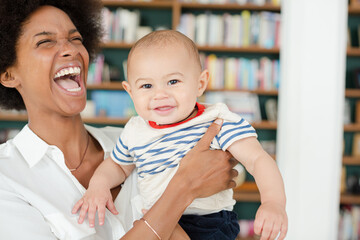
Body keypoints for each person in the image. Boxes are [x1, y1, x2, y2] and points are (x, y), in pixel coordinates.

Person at [0, 1, 239, 239]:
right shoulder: (7, 176)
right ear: (9, 74)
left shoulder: (136, 139)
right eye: (45, 41)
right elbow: (188, 186)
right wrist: (184, 188)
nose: (71, 50)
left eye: (76, 39)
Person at [73, 30, 288, 240]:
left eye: (173, 82)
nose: (160, 94)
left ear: (200, 83)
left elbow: (257, 159)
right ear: (130, 92)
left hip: (208, 223)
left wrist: (273, 202)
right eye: (147, 85)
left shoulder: (216, 120)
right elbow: (118, 166)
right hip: (158, 222)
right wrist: (98, 185)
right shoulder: (135, 130)